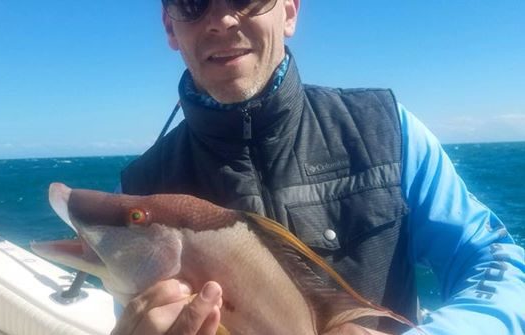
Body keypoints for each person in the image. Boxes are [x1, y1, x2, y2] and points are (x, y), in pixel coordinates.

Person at [113, 0, 525, 334]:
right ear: (170, 27)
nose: (221, 20)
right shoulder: (140, 189)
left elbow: (491, 256)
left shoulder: (386, 128)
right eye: (192, 3)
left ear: (289, 11)